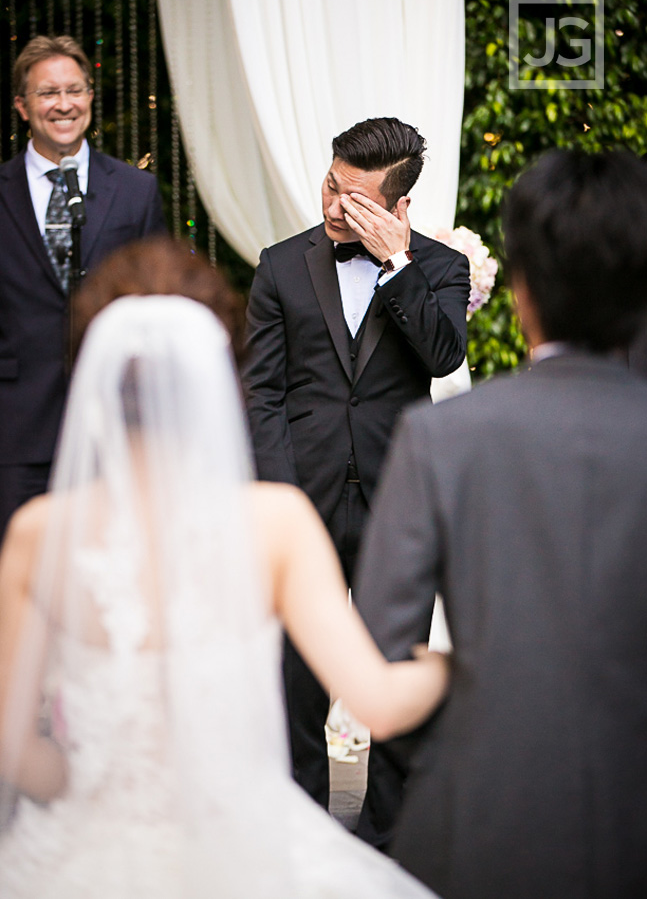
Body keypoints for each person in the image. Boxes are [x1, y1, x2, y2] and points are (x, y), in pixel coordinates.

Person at [0, 288, 448, 898]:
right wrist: (445, 667)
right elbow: (380, 703)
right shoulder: (276, 523)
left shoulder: (38, 534)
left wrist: (88, 783)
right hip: (243, 845)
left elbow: (14, 748)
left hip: (83, 852)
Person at [353, 148, 647, 899]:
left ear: (518, 289)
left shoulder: (442, 437)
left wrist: (479, 716)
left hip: (476, 824)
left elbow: (380, 656)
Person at [242, 116, 470, 838]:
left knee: (390, 671)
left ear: (398, 207)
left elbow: (440, 358)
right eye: (330, 186)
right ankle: (299, 830)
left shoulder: (438, 268)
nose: (334, 207)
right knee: (296, 681)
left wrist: (399, 265)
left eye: (357, 199)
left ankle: (389, 839)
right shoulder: (279, 265)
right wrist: (282, 501)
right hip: (300, 503)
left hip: (394, 507)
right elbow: (262, 393)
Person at [0, 34, 166, 543]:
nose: (64, 104)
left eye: (76, 89)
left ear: (91, 97)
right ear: (22, 106)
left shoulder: (136, 191)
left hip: (113, 426)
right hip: (15, 428)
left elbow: (154, 301)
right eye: (49, 93)